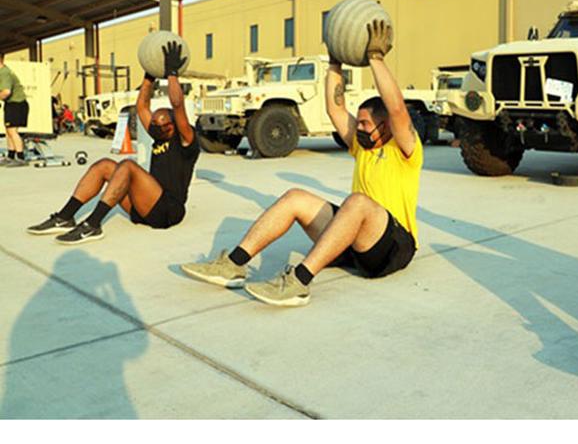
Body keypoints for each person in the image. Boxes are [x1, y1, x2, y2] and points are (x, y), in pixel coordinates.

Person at [181, 19, 422, 307]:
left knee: (356, 202)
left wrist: (375, 58)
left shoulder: (405, 149)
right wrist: (334, 60)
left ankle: (298, 282)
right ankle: (233, 265)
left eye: (365, 123)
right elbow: (335, 107)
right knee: (295, 198)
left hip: (392, 247)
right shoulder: (362, 146)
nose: (357, 128)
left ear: (385, 126)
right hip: (356, 244)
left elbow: (396, 107)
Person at [27, 42, 200, 244]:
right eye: (154, 123)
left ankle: (92, 224)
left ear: (174, 125)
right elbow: (142, 106)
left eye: (163, 124)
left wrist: (172, 73)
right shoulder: (157, 135)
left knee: (128, 166)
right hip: (143, 207)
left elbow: (177, 105)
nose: (157, 127)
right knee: (104, 166)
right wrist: (149, 74)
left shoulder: (186, 140)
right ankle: (65, 216)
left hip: (168, 211)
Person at [0, 55, 30, 167]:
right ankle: (11, 156)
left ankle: (21, 158)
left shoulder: (4, 73)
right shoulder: (3, 72)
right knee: (8, 131)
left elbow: (6, 92)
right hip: (12, 104)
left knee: (12, 131)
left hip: (16, 104)